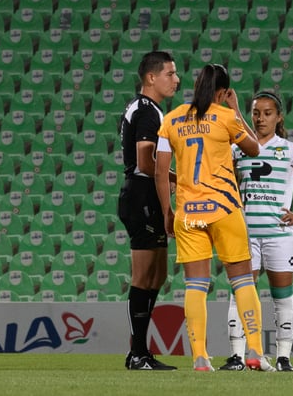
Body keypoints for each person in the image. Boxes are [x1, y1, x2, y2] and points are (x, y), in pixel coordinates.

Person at [155, 64, 276, 372]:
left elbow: (159, 171)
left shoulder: (171, 119)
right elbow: (254, 148)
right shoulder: (225, 117)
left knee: (195, 285)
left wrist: (168, 212)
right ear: (223, 92)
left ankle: (199, 357)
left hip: (188, 213)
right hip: (224, 210)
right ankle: (254, 352)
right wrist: (236, 109)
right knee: (243, 281)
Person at [219, 90, 293, 372]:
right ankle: (237, 356)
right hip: (245, 235)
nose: (261, 118)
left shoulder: (289, 149)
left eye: (267, 113)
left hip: (280, 236)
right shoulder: (237, 149)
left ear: (279, 117)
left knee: (282, 297)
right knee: (239, 294)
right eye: (256, 113)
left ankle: (283, 357)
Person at [118, 51, 180, 370]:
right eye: (170, 73)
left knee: (158, 274)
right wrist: (176, 178)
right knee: (144, 275)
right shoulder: (146, 110)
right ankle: (138, 353)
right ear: (151, 78)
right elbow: (145, 161)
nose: (177, 79)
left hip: (147, 195)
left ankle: (141, 351)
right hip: (141, 193)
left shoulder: (149, 109)